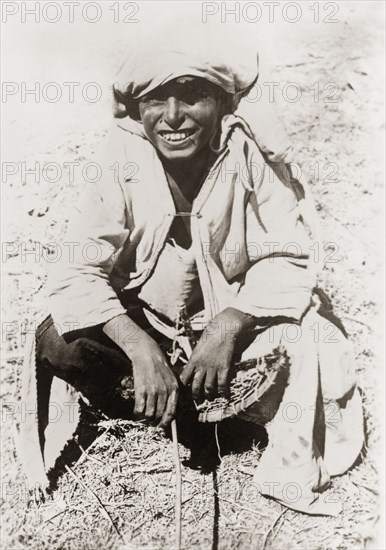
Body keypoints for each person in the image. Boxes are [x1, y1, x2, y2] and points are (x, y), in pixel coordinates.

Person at [19, 26, 364, 516]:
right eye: (157, 99)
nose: (174, 117)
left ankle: (266, 449)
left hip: (234, 327)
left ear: (223, 103)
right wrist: (139, 347)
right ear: (136, 108)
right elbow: (77, 266)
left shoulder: (248, 155)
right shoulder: (122, 155)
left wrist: (228, 325)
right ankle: (181, 411)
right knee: (58, 338)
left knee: (310, 340)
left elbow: (288, 257)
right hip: (151, 327)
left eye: (194, 96)